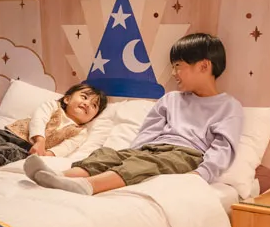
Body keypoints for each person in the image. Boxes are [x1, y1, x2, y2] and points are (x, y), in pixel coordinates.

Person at [25, 33, 242, 195]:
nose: (174, 73)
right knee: (107, 155)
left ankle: (88, 186)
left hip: (186, 155)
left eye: (178, 66)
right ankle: (58, 177)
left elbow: (223, 148)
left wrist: (201, 174)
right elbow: (149, 132)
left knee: (144, 164)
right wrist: (133, 153)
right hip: (151, 149)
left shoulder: (228, 107)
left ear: (204, 66)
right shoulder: (171, 99)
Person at [0, 83, 108, 173]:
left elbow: (66, 147)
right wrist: (40, 140)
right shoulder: (53, 106)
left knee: (5, 152)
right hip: (10, 133)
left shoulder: (80, 132)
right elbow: (38, 119)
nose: (87, 104)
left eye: (94, 105)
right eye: (84, 97)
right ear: (67, 99)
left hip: (27, 149)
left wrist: (47, 154)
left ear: (93, 116)